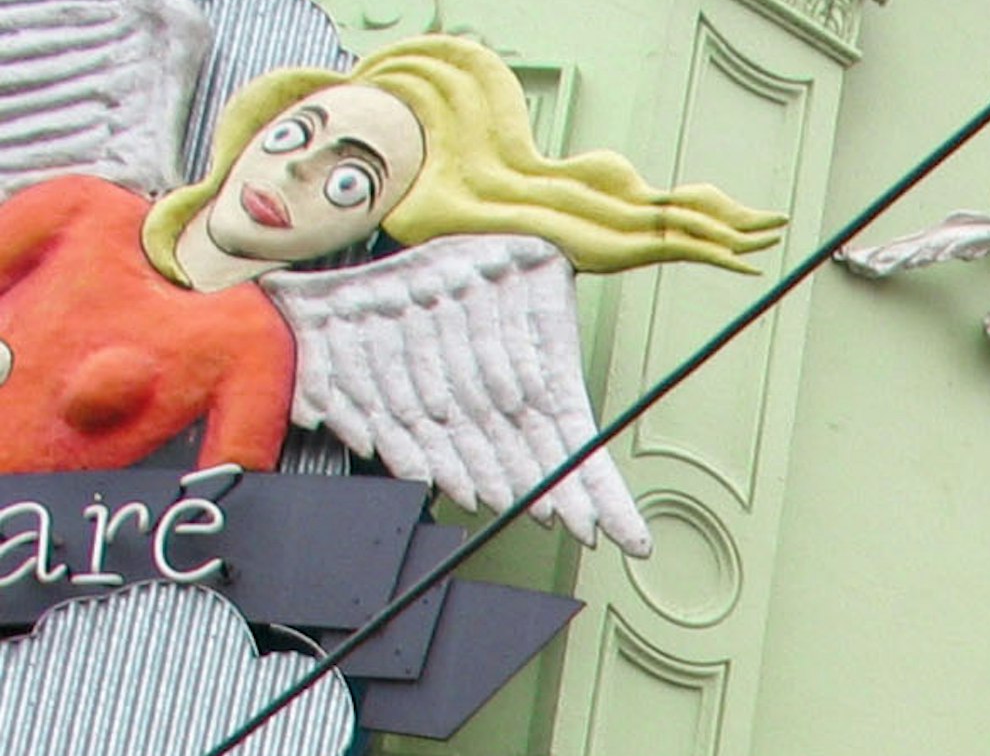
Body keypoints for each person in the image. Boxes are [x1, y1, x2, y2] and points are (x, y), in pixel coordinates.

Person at [0, 31, 777, 480]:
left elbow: (218, 517)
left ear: (374, 225)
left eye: (347, 181)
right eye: (294, 136)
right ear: (255, 126)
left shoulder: (255, 342)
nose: (297, 177)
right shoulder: (79, 208)